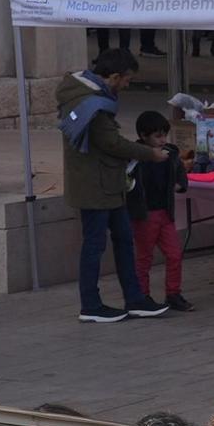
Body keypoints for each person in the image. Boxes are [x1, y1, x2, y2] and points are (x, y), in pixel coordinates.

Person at [59, 48, 170, 323]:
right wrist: (150, 153)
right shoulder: (91, 105)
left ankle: (135, 299)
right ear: (114, 77)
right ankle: (91, 305)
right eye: (127, 79)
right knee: (94, 246)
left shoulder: (92, 97)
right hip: (95, 187)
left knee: (123, 240)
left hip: (109, 184)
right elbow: (112, 143)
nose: (128, 85)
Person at [127, 109, 192, 311]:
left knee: (174, 254)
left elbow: (181, 176)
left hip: (165, 212)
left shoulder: (171, 154)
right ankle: (142, 296)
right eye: (157, 136)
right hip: (144, 214)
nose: (162, 140)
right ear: (144, 136)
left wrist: (179, 185)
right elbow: (127, 180)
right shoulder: (135, 155)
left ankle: (173, 293)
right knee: (144, 258)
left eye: (164, 135)